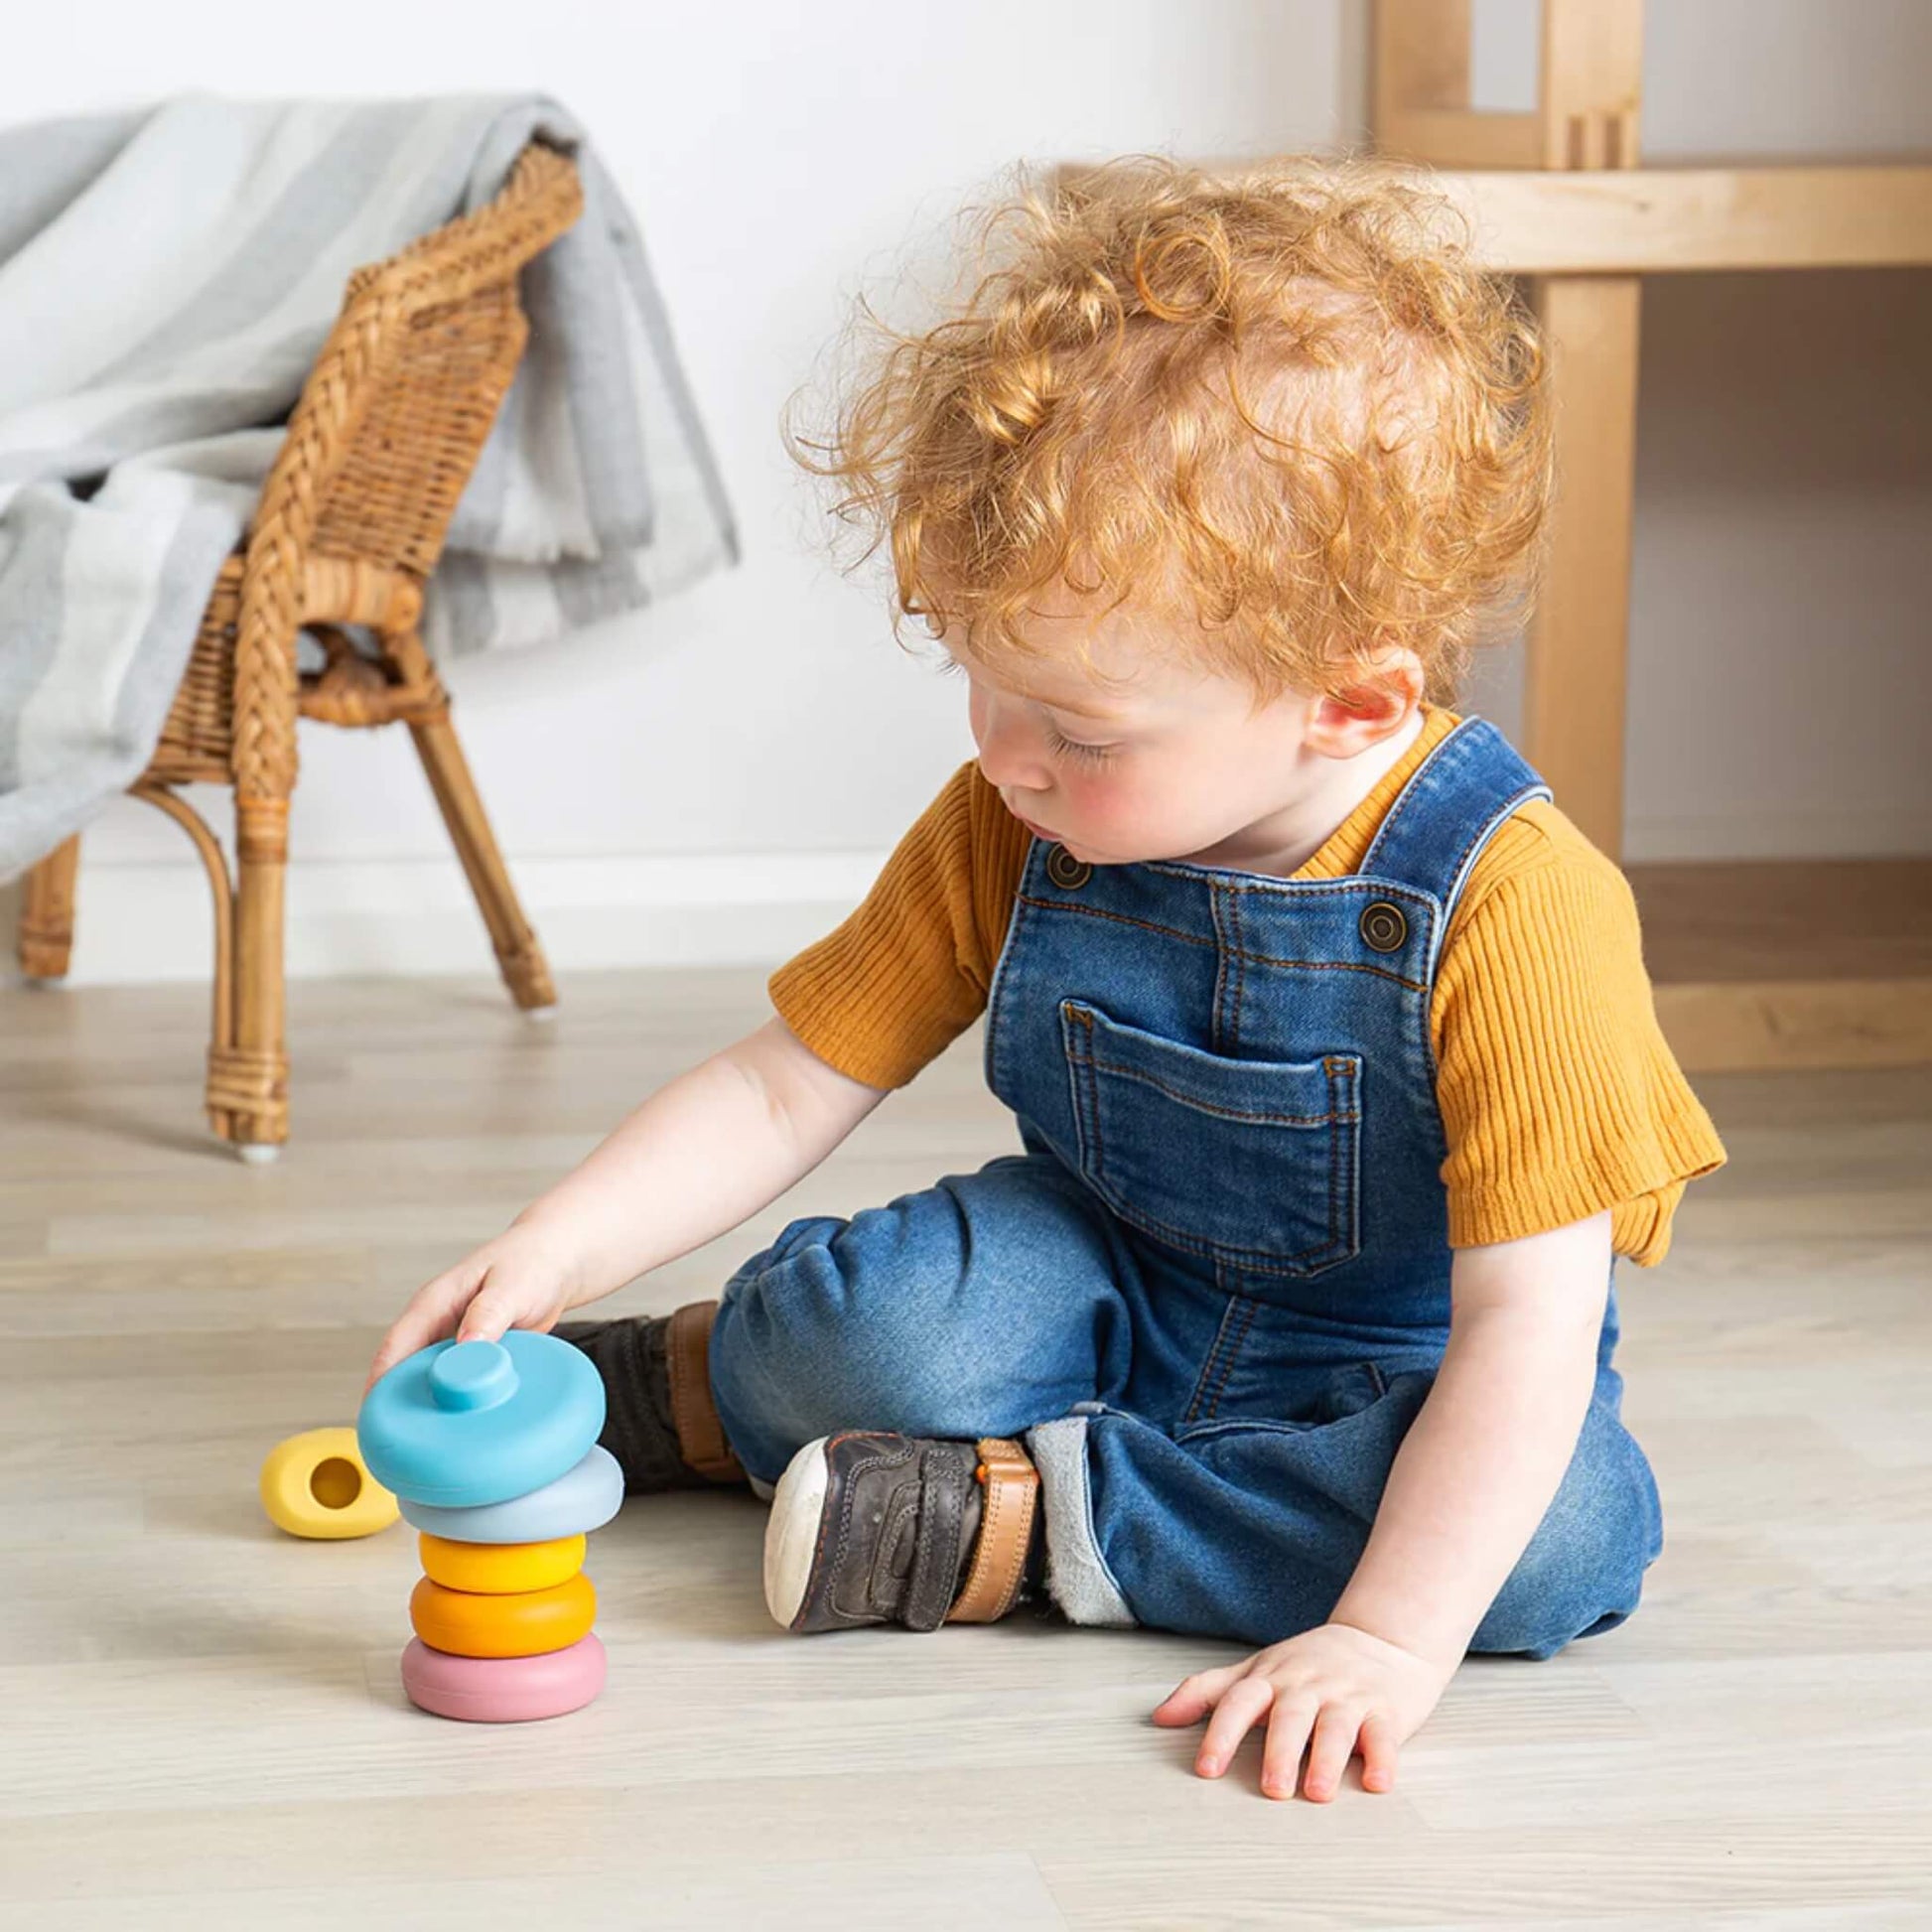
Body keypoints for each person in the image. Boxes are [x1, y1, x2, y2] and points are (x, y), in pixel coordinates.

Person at [368, 155, 1725, 1803]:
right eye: (980, 684)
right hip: (1097, 1268)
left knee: (1554, 1542)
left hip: (1401, 1360)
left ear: (1350, 706)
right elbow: (785, 1078)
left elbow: (1524, 1328)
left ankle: (1018, 1528)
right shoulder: (1021, 814)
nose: (1005, 762)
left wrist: (1384, 1634)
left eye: (1078, 731)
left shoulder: (1518, 910)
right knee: (881, 1338)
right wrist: (551, 1245)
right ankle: (685, 1392)